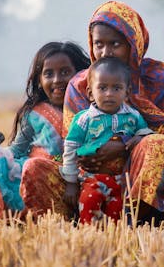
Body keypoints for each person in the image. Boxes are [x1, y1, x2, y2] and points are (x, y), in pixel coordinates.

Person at [21, 0, 164, 227]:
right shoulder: (79, 84)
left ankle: (136, 219)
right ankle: (75, 222)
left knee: (160, 145)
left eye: (115, 43)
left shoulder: (158, 80)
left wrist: (122, 147)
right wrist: (90, 160)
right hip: (87, 179)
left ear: (134, 44)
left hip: (135, 176)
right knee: (34, 168)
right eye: (98, 44)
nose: (105, 52)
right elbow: (73, 144)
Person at [0, 41, 90, 219]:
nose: (57, 80)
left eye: (65, 72)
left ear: (79, 75)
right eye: (49, 74)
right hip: (36, 178)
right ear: (40, 81)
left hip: (75, 181)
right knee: (9, 182)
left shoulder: (90, 111)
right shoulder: (34, 114)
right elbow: (17, 150)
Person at [60, 57, 153, 224]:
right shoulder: (84, 119)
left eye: (116, 88)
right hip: (91, 178)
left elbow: (146, 134)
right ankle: (89, 237)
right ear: (90, 93)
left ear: (127, 91)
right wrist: (71, 183)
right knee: (89, 202)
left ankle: (115, 242)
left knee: (118, 212)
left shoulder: (133, 116)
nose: (109, 94)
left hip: (122, 181)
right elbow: (70, 148)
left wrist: (139, 138)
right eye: (102, 88)